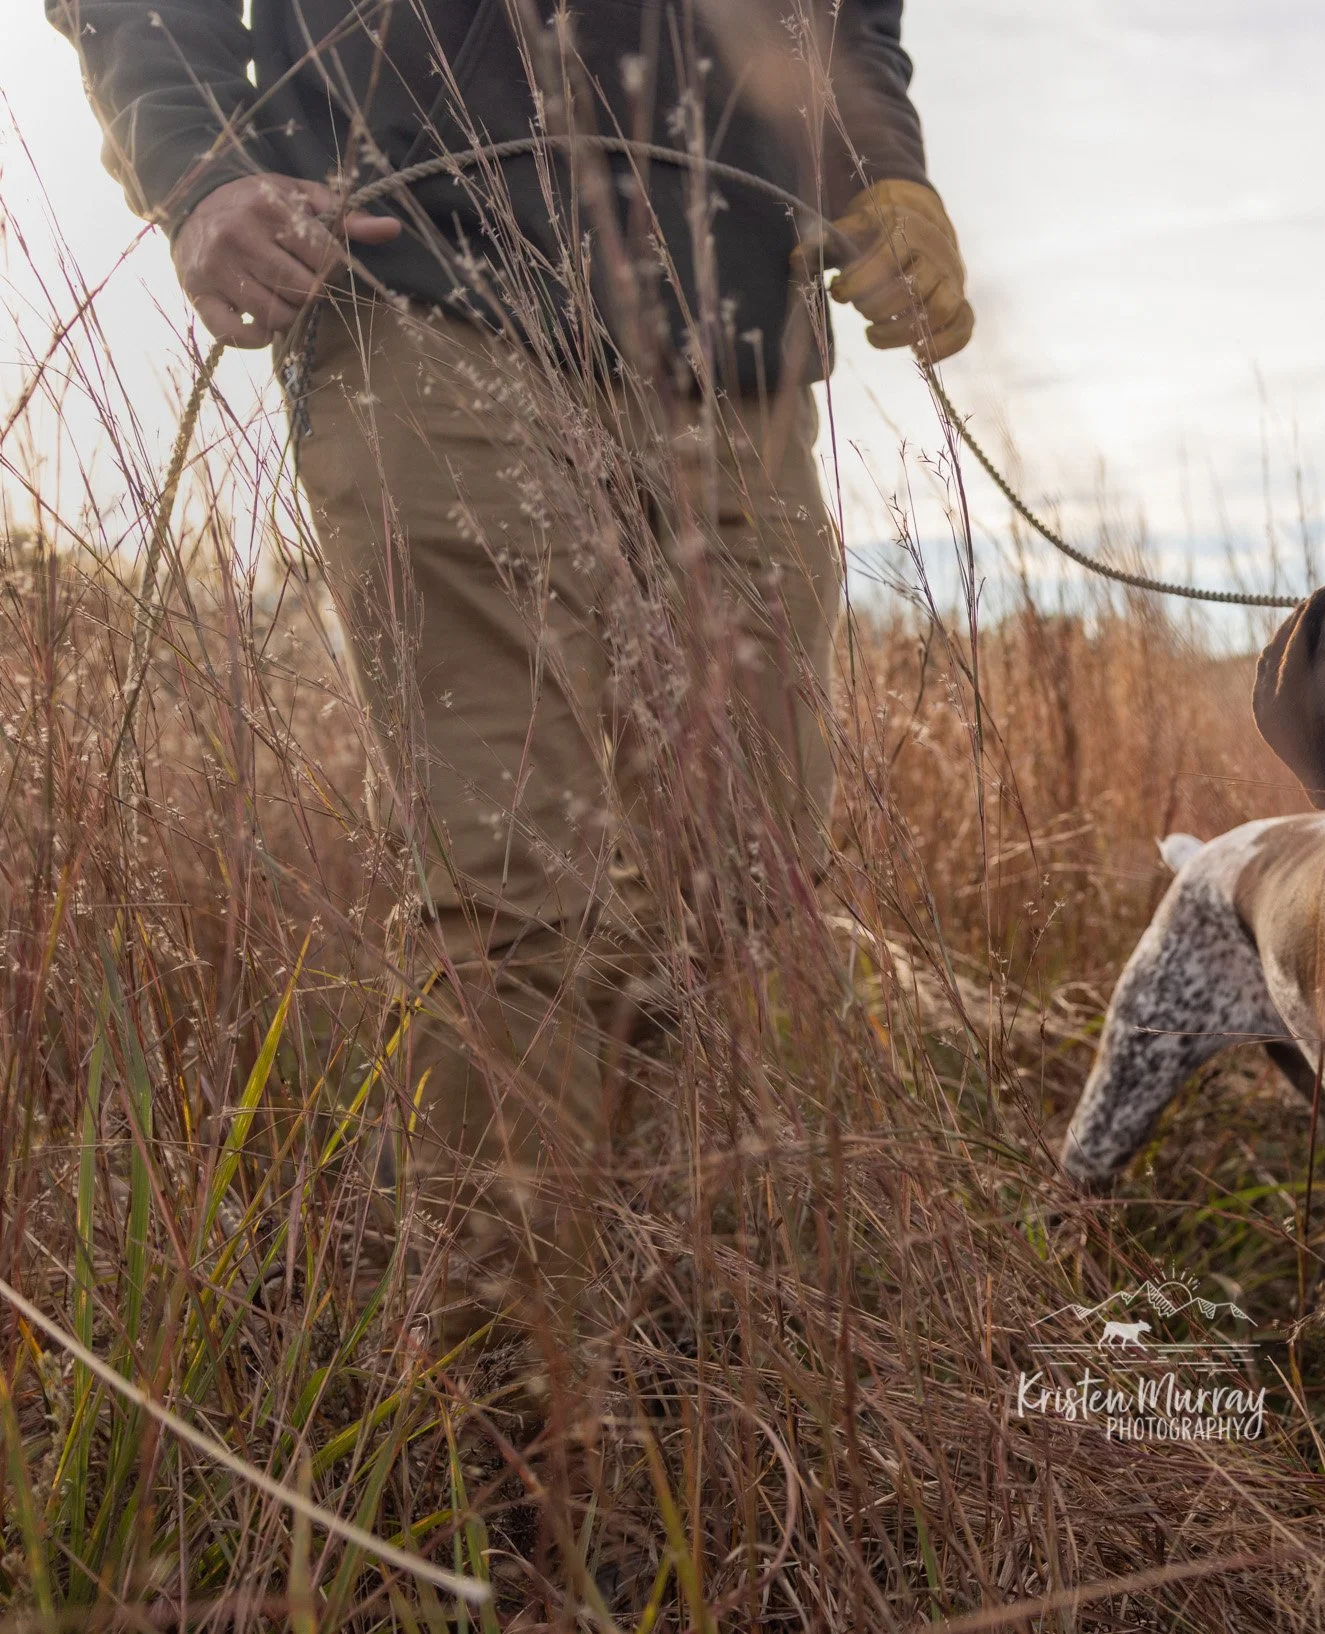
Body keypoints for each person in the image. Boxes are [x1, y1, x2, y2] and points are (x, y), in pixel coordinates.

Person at [49, 0, 970, 1341]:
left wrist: (880, 164)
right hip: (421, 281)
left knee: (745, 902)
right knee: (526, 909)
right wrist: (198, 162)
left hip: (736, 327)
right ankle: (518, 1440)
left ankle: (697, 1397)